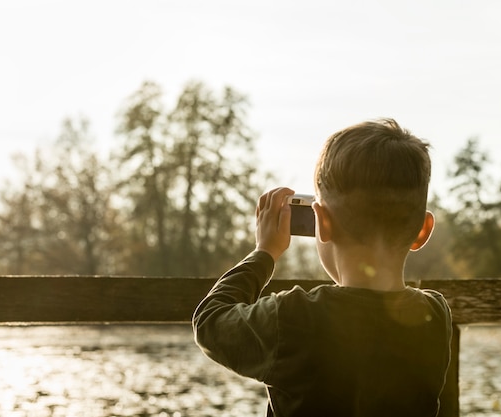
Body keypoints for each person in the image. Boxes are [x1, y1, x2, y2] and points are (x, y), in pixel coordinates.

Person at [192, 118, 452, 417]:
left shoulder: (293, 318)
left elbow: (210, 320)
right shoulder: (435, 316)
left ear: (322, 222)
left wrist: (265, 252)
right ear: (423, 230)